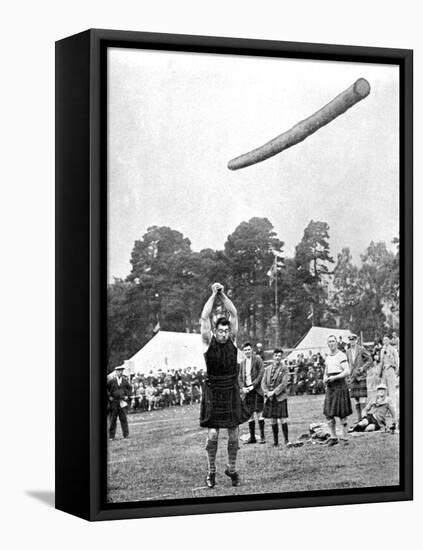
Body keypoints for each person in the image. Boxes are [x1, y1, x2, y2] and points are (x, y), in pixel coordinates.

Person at [200, 282, 248, 488]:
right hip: (214, 391)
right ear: (215, 331)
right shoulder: (207, 341)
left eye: (226, 331)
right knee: (212, 434)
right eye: (220, 331)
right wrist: (213, 295)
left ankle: (232, 468)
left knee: (234, 433)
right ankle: (211, 472)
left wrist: (224, 295)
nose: (224, 334)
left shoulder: (233, 341)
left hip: (231, 390)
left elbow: (234, 315)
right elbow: (204, 318)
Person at [323, 335, 352, 446]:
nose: (331, 343)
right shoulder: (328, 357)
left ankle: (344, 438)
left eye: (333, 341)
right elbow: (326, 372)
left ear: (336, 343)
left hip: (340, 384)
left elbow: (347, 371)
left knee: (342, 413)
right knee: (328, 413)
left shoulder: (341, 355)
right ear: (328, 344)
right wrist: (324, 379)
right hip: (330, 386)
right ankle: (333, 437)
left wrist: (335, 377)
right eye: (329, 341)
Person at [262, 349, 290, 447]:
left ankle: (286, 440)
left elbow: (284, 383)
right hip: (270, 398)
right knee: (273, 419)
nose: (278, 358)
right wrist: (267, 392)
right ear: (273, 357)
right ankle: (276, 442)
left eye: (279, 356)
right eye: (276, 356)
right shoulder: (267, 369)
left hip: (280, 397)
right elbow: (263, 383)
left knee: (283, 419)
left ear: (281, 357)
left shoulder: (284, 368)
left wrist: (274, 392)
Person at [239, 342, 265, 443]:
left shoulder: (257, 359)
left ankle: (262, 437)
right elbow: (240, 377)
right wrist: (243, 387)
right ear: (243, 352)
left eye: (248, 350)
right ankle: (252, 437)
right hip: (247, 391)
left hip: (256, 390)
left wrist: (253, 385)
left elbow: (261, 373)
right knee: (249, 414)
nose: (247, 352)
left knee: (259, 413)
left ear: (252, 350)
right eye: (245, 350)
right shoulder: (242, 363)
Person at [346, 333, 372, 423]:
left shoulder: (361, 349)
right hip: (353, 377)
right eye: (350, 340)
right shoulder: (348, 351)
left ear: (356, 340)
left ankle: (364, 418)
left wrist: (363, 368)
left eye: (353, 340)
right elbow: (348, 364)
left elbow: (369, 360)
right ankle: (359, 418)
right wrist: (348, 375)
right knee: (356, 398)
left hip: (361, 376)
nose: (352, 342)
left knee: (362, 398)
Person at [107, 365, 132, 440]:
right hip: (114, 402)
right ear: (116, 372)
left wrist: (127, 395)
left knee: (123, 419)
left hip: (122, 401)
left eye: (121, 371)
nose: (120, 372)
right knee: (112, 420)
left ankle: (126, 435)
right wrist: (109, 397)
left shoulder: (124, 381)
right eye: (119, 371)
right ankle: (111, 436)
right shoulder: (111, 381)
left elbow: (130, 388)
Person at [379, 335, 399, 413]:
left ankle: (392, 409)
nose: (385, 341)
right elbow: (381, 361)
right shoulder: (382, 350)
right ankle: (385, 409)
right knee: (384, 389)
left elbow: (397, 361)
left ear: (389, 340)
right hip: (384, 371)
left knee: (391, 390)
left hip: (390, 370)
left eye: (387, 340)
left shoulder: (393, 349)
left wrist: (392, 365)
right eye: (384, 340)